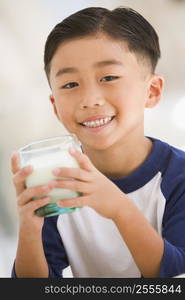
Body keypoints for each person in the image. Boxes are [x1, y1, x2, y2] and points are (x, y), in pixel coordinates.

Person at [11, 6, 185, 278]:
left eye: (109, 78)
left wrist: (118, 207)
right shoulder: (59, 183)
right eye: (70, 84)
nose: (90, 99)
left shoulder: (179, 177)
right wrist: (29, 228)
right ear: (55, 107)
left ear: (151, 91)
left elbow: (175, 277)